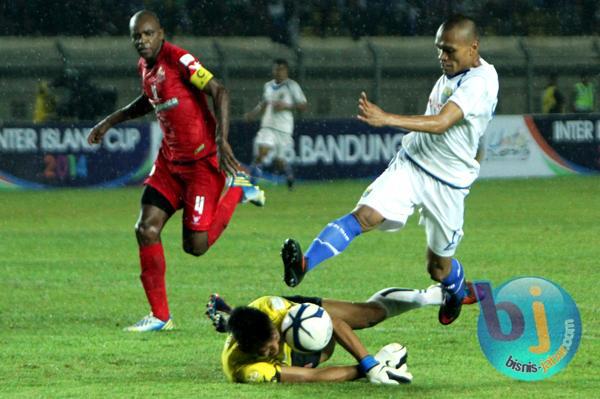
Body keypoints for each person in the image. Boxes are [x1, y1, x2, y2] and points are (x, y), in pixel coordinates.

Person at [280, 15, 498, 326]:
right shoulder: (457, 70)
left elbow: (441, 123)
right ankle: (303, 264)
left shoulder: (481, 82)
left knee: (438, 268)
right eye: (439, 50)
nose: (443, 57)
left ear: (473, 47)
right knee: (364, 216)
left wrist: (386, 119)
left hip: (448, 182)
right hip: (411, 163)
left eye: (450, 51)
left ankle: (456, 290)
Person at [87, 10, 265, 332]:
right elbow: (148, 100)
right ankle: (160, 317)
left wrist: (221, 138)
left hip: (201, 166)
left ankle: (238, 186)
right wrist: (109, 121)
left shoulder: (180, 60)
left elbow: (219, 91)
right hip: (170, 165)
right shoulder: (146, 67)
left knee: (195, 246)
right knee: (145, 229)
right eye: (136, 36)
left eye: (148, 34)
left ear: (161, 33)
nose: (142, 40)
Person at [206, 282, 479, 383]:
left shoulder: (271, 308)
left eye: (274, 340)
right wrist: (365, 371)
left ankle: (431, 295)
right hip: (302, 357)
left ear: (273, 327)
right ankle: (228, 315)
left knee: (368, 315)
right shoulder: (245, 369)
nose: (273, 349)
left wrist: (369, 362)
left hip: (293, 313)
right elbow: (311, 376)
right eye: (266, 352)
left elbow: (331, 321)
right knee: (321, 355)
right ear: (251, 351)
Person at [244, 58, 307, 190]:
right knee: (262, 153)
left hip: (284, 128)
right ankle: (251, 185)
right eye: (276, 69)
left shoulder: (292, 86)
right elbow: (264, 103)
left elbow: (303, 105)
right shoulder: (268, 86)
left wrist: (286, 106)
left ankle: (289, 177)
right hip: (268, 126)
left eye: (281, 69)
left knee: (279, 162)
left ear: (286, 71)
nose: (278, 72)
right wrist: (253, 113)